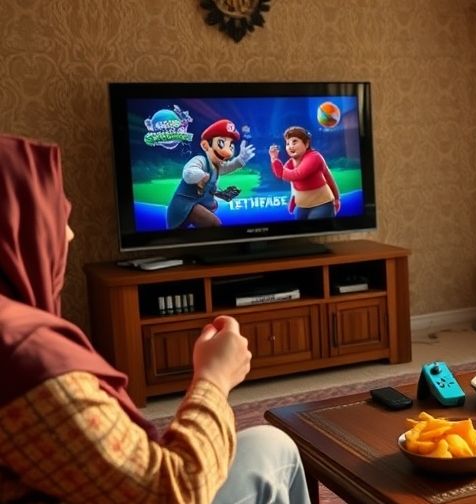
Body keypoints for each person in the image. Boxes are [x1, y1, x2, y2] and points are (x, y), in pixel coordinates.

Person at [0, 134, 307, 503]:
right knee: (278, 448)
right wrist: (214, 378)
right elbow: (172, 491)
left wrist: (236, 161)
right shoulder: (27, 360)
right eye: (52, 218)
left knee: (268, 440)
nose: (69, 234)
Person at [166, 118, 256, 229]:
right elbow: (188, 172)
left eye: (231, 145)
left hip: (197, 204)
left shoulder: (216, 166)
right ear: (205, 145)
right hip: (184, 206)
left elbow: (228, 167)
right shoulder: (201, 160)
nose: (228, 152)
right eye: (222, 143)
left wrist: (240, 159)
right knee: (214, 224)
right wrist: (202, 176)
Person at [269, 126, 341, 220]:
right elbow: (281, 175)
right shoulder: (292, 161)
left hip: (321, 203)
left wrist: (336, 198)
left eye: (294, 141)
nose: (290, 146)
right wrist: (274, 159)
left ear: (306, 144)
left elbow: (296, 175)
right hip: (302, 205)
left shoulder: (314, 157)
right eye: (288, 143)